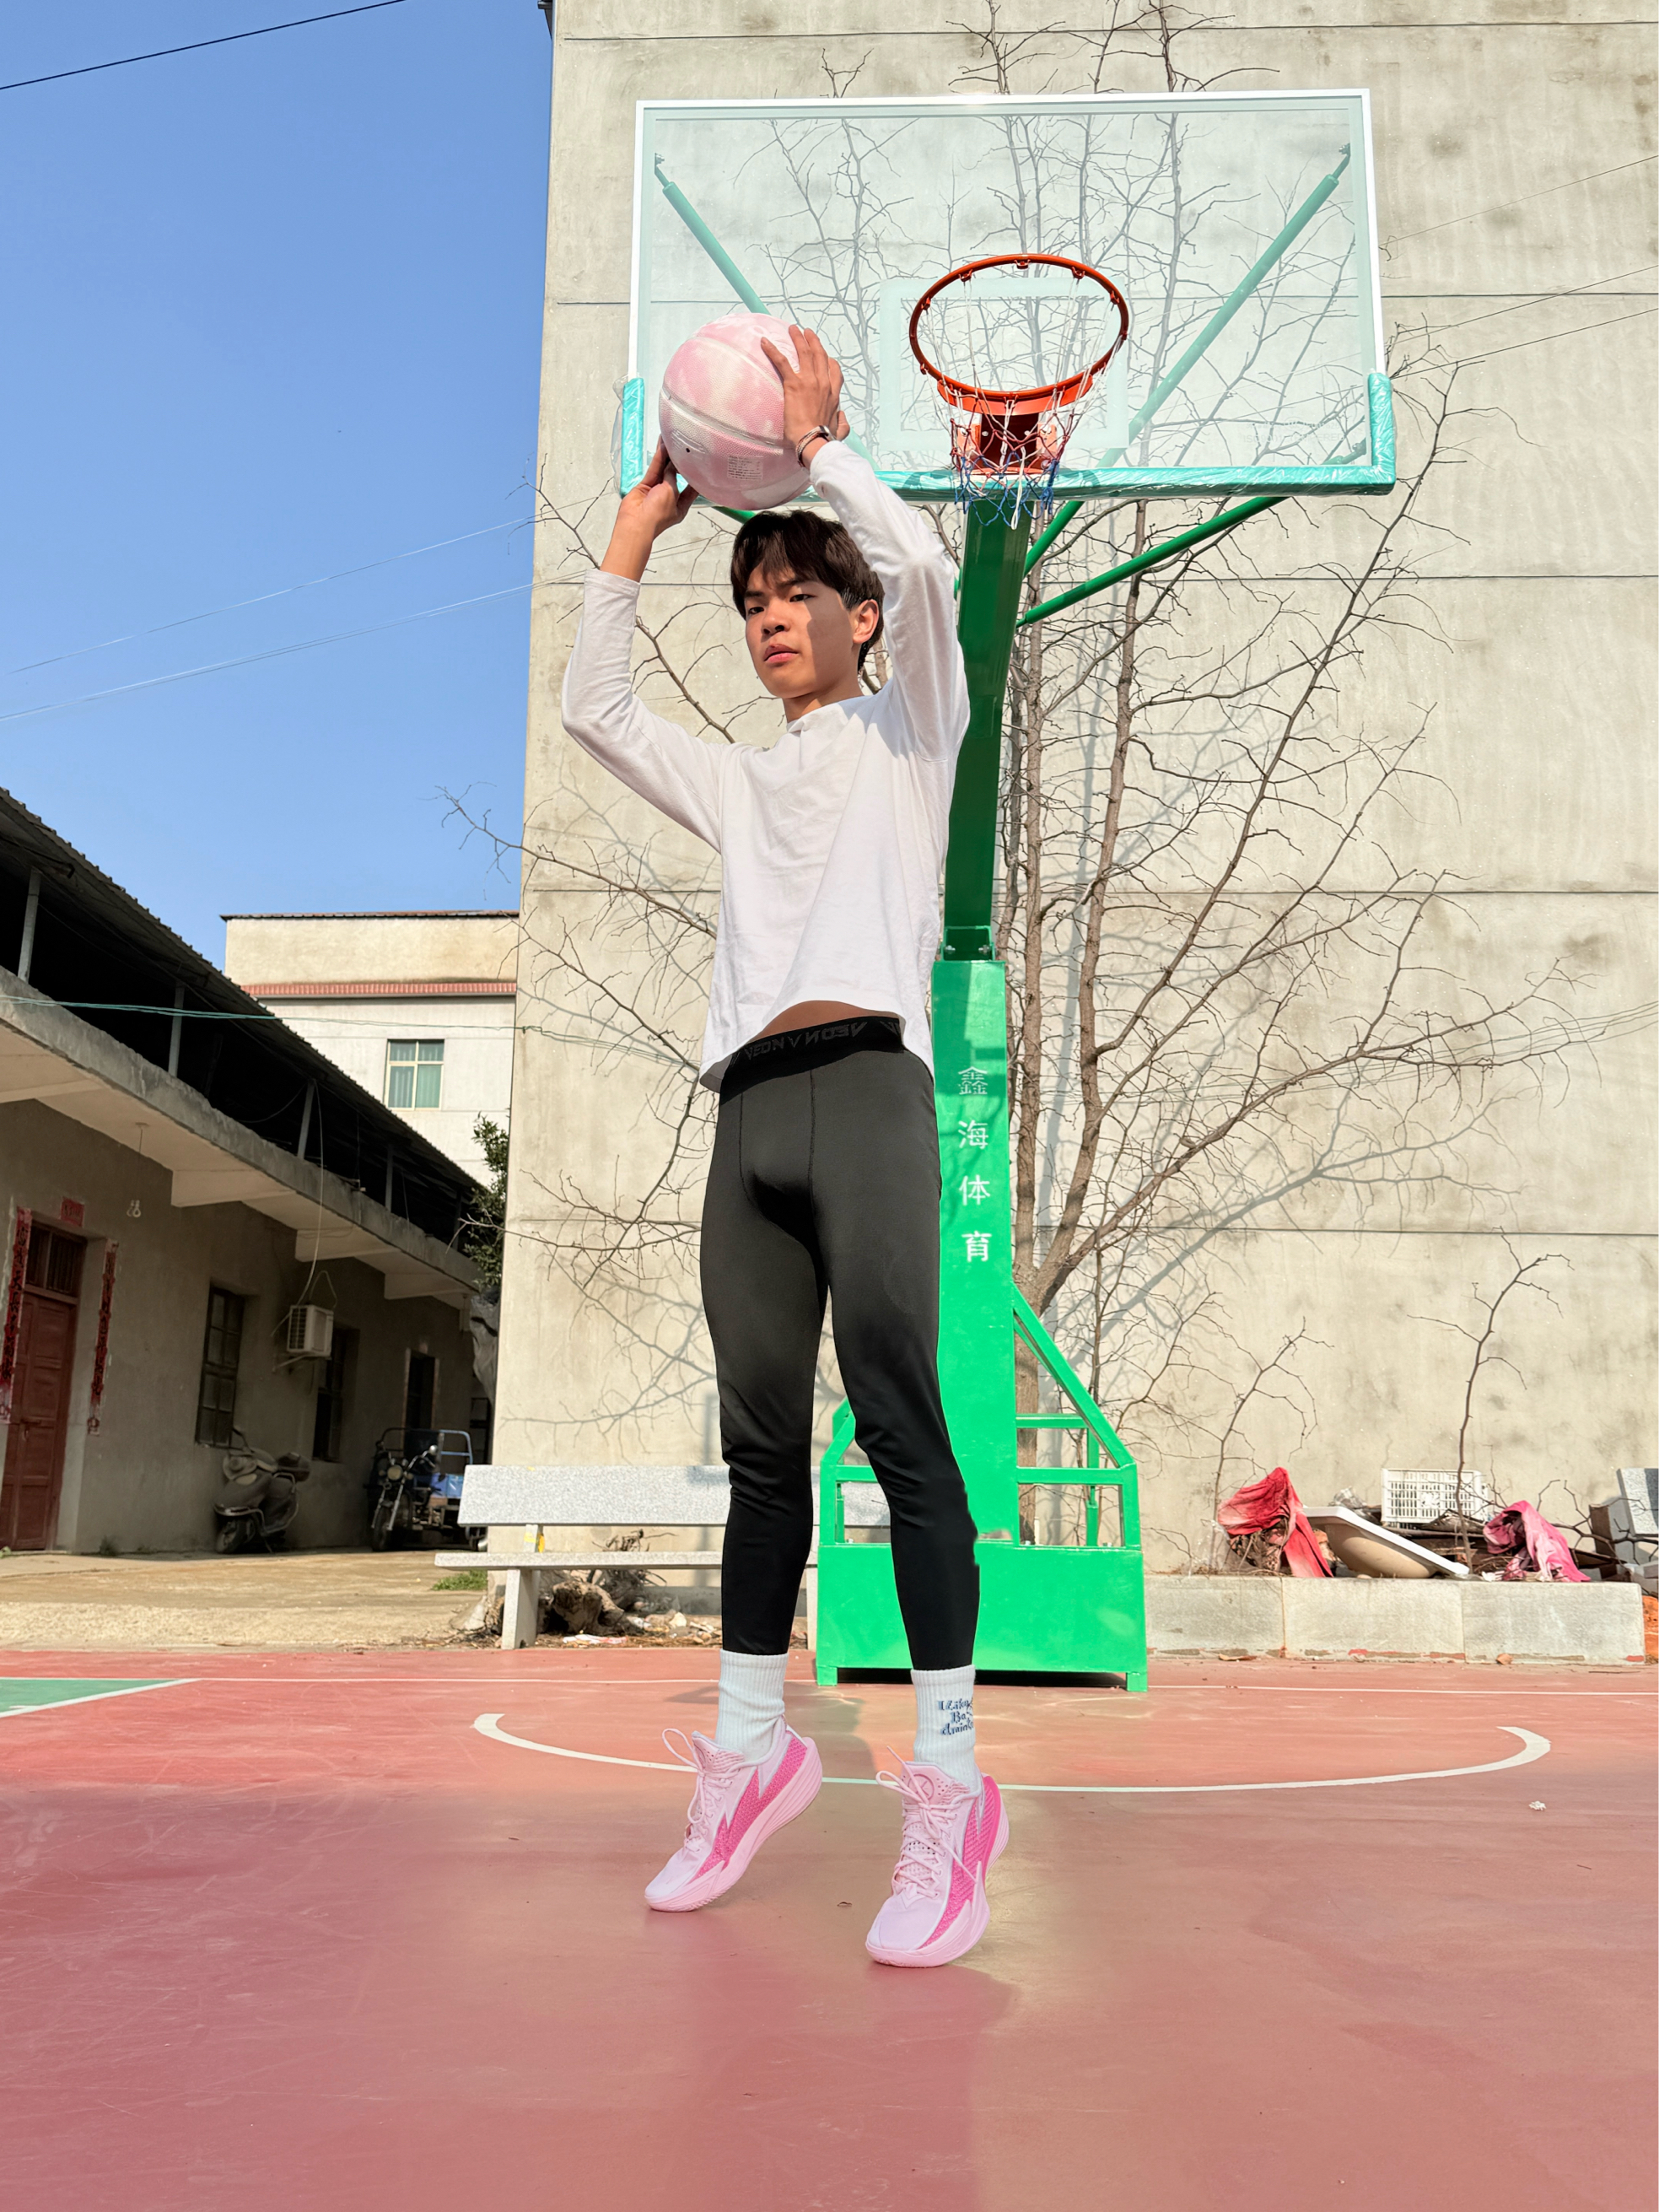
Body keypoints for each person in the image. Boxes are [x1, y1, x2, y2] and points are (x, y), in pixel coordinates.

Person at [561, 326, 1005, 1968]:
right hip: (748, 1117)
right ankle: (752, 1754)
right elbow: (594, 708)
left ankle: (950, 1789)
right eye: (750, 601)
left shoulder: (913, 731)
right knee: (761, 1455)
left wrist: (819, 453)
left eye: (796, 593)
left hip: (871, 1096)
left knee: (901, 1430)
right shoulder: (744, 786)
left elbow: (928, 574)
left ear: (856, 617)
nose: (767, 618)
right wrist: (634, 535)